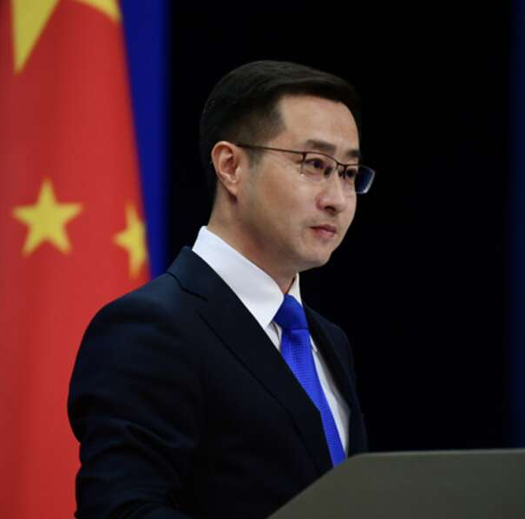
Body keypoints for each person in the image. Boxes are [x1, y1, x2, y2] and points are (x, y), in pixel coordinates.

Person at [68, 60, 374, 519]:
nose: (337, 199)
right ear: (231, 166)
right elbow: (121, 510)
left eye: (348, 173)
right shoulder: (148, 328)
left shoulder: (329, 340)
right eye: (314, 165)